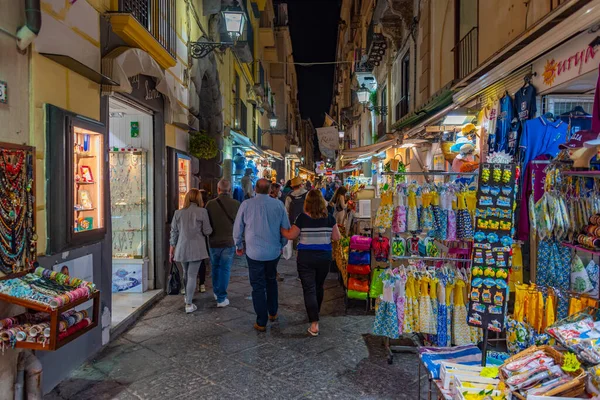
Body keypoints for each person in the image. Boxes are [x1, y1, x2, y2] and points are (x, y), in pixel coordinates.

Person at [281, 190, 340, 336]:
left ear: (307, 203)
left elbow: (290, 235)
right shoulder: (330, 218)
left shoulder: (301, 218)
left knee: (309, 288)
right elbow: (337, 237)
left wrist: (281, 228)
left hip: (306, 258)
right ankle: (315, 313)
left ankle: (314, 323)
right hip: (324, 257)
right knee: (319, 286)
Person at [233, 179, 290, 331]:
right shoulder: (278, 205)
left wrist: (238, 245)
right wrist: (282, 244)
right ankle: (273, 312)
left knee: (257, 285)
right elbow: (286, 227)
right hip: (273, 251)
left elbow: (238, 227)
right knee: (271, 280)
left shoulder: (246, 205)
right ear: (270, 189)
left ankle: (261, 320)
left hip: (254, 252)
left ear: (255, 189)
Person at [170, 188, 213, 313]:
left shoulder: (178, 213)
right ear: (198, 198)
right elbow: (207, 231)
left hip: (181, 247)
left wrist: (171, 249)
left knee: (185, 272)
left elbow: (174, 233)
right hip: (197, 248)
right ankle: (188, 303)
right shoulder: (202, 212)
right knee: (192, 275)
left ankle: (186, 297)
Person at [206, 179, 240, 308]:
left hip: (213, 241)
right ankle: (221, 298)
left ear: (218, 189)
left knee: (215, 267)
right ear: (230, 190)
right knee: (225, 269)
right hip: (229, 241)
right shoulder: (236, 204)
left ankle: (216, 292)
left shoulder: (210, 204)